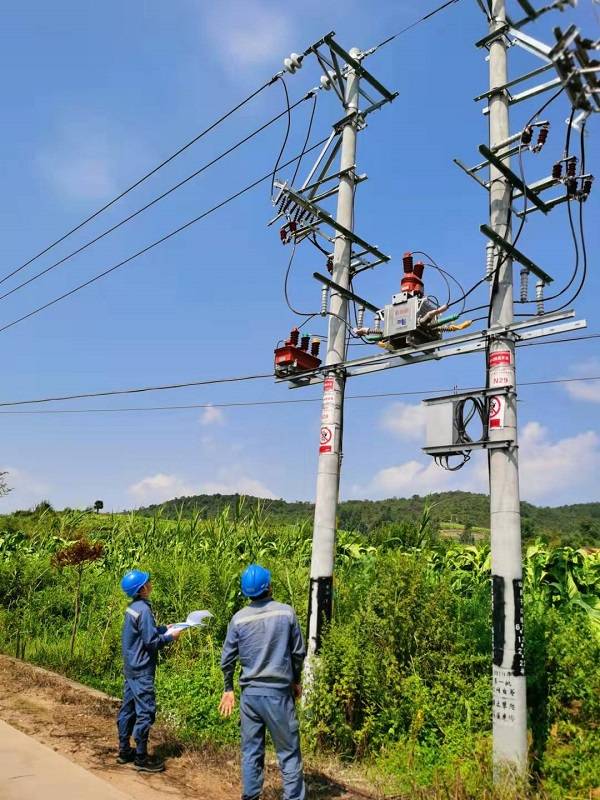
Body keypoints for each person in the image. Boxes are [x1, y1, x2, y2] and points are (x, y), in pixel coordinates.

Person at [219, 564, 306, 800]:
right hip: (278, 694)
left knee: (251, 752)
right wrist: (295, 681)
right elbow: (298, 652)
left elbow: (227, 658)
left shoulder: (238, 619)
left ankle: (250, 796)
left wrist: (228, 688)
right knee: (288, 753)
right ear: (268, 586)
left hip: (250, 697)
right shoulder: (286, 613)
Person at [117, 569, 183, 772]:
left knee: (128, 709)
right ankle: (141, 757)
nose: (150, 584)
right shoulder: (144, 611)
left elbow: (143, 633)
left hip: (131, 667)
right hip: (142, 669)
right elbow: (151, 642)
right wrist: (170, 637)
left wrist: (163, 627)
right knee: (145, 712)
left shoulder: (133, 608)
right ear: (142, 588)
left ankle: (124, 750)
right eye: (148, 582)